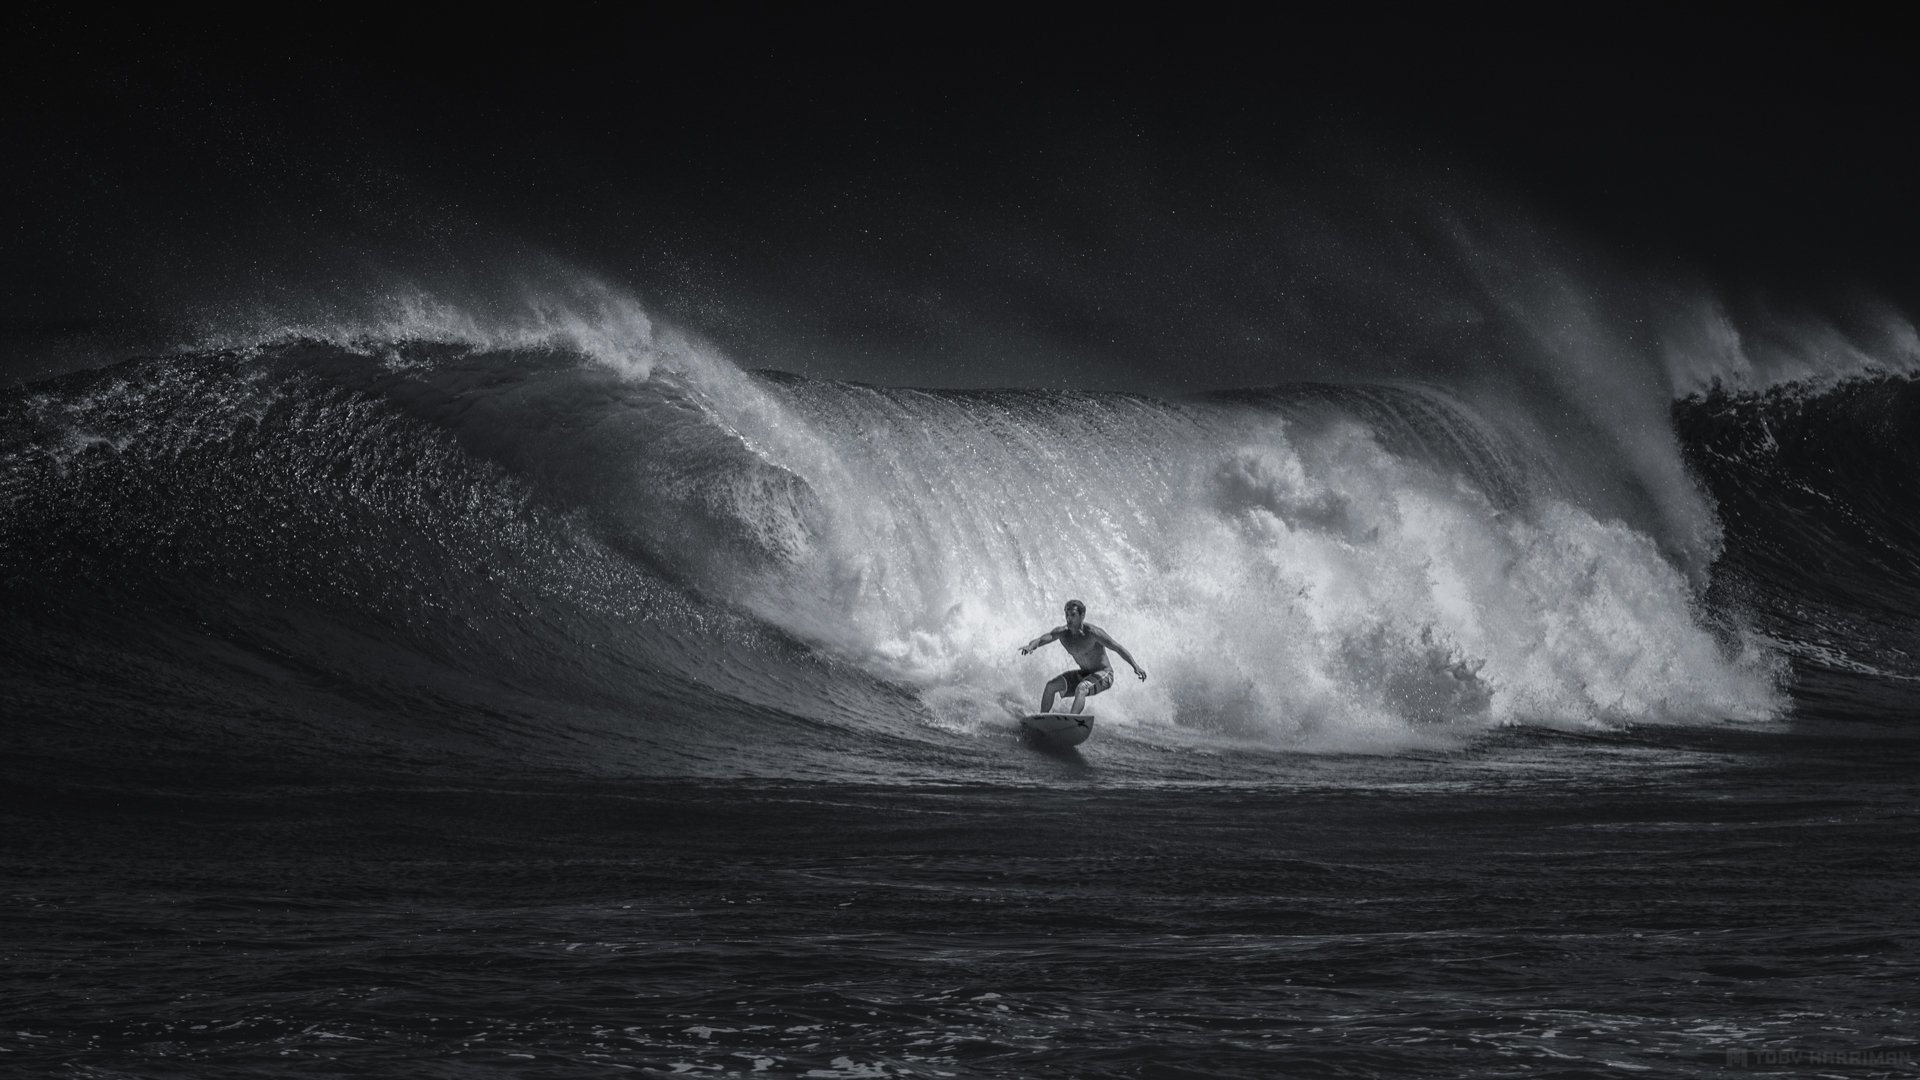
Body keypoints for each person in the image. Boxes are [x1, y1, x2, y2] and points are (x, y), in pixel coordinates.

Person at [1017, 599, 1146, 714]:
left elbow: (1117, 647)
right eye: (1067, 615)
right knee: (1051, 686)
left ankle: (1071, 722)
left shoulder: (1093, 633)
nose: (1069, 619)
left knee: (1082, 688)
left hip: (1104, 674)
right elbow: (1041, 640)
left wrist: (1136, 666)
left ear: (1082, 615)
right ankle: (1042, 720)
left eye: (1073, 615)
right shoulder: (1062, 633)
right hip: (1084, 674)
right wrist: (1030, 647)